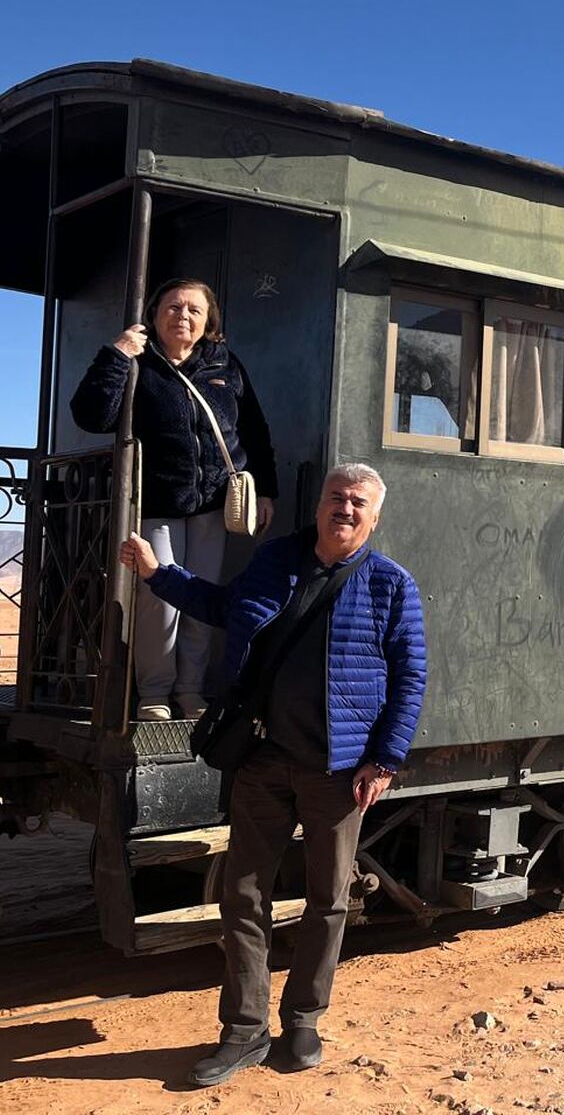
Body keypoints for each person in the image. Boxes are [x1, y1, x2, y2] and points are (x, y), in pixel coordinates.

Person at [119, 462, 427, 1087]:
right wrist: (159, 574)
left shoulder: (392, 585)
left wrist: (385, 759)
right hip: (261, 760)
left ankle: (305, 1019)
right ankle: (244, 1030)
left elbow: (409, 677)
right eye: (337, 498)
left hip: (338, 772)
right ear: (318, 506)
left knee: (329, 900)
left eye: (358, 502)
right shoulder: (274, 562)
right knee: (243, 896)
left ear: (375, 516)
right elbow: (221, 606)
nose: (345, 509)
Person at [72, 277, 278, 720]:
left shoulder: (226, 365)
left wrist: (267, 489)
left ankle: (190, 692)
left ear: (209, 321)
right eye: (173, 307)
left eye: (193, 310)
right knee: (160, 601)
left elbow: (255, 433)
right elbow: (91, 416)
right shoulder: (137, 362)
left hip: (213, 506)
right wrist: (116, 355)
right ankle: (154, 693)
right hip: (157, 503)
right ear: (154, 313)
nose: (183, 316)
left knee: (202, 599)